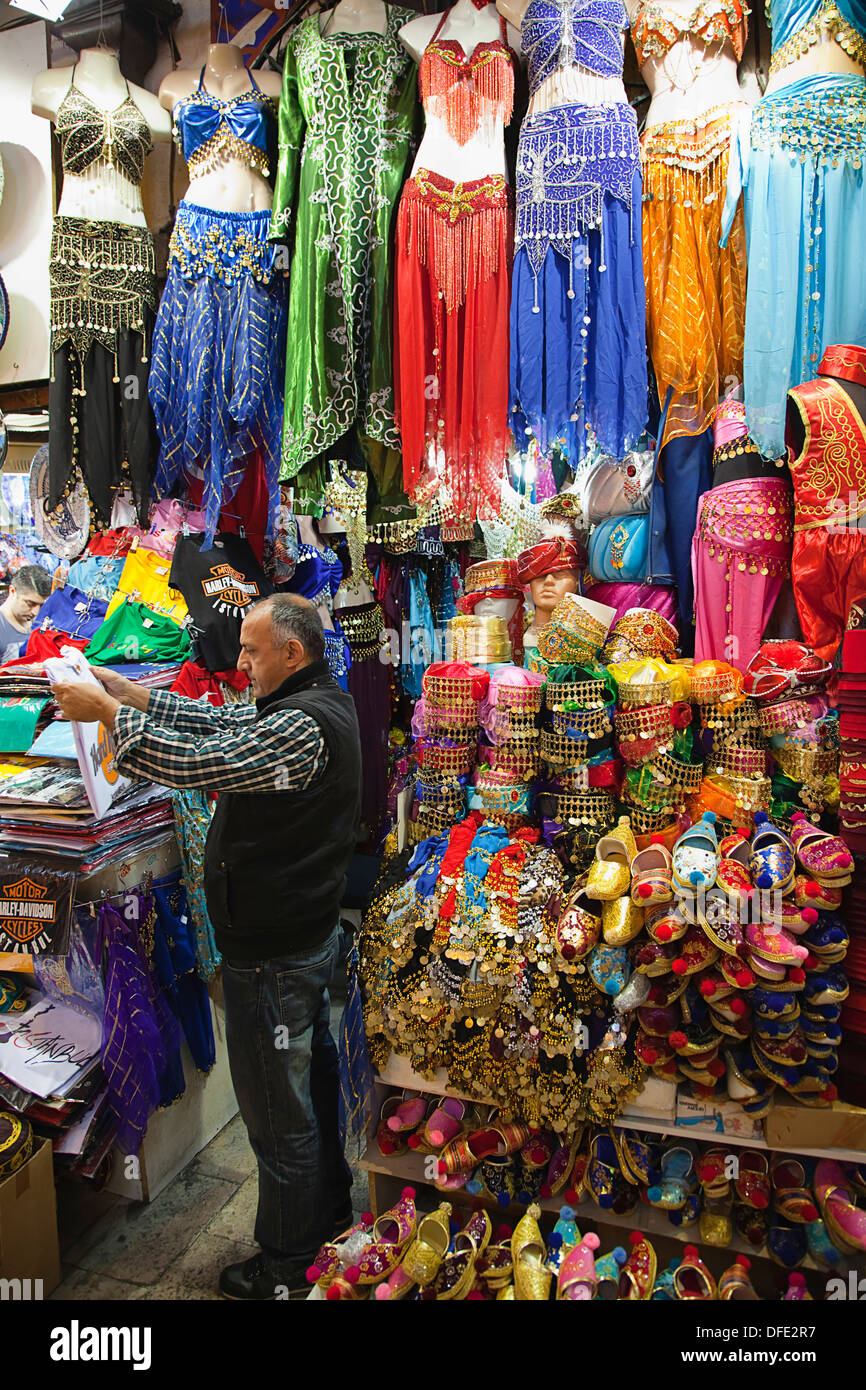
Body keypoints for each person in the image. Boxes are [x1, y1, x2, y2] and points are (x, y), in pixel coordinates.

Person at [50, 593, 362, 1300]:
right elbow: (217, 722)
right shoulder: (304, 701)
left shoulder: (302, 725)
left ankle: (286, 1267)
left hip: (275, 953)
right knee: (305, 1094)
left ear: (292, 651)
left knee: (279, 1122)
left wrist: (107, 716)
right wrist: (130, 692)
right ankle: (331, 1216)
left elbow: (210, 763)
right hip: (296, 941)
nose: (240, 662)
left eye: (251, 651)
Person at [0, 564, 52, 657]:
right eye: (30, 603)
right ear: (12, 591)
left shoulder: (42, 623)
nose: (35, 612)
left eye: (41, 605)